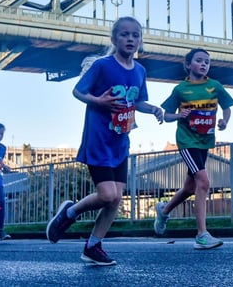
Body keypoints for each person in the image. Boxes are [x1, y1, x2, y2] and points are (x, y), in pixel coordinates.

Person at [45, 16, 164, 265]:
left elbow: (137, 100)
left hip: (121, 141)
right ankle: (69, 212)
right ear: (114, 39)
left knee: (116, 198)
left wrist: (152, 108)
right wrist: (98, 101)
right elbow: (78, 90)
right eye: (124, 34)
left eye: (135, 35)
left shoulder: (140, 71)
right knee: (108, 194)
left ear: (140, 40)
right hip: (99, 139)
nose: (130, 39)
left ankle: (93, 246)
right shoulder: (102, 65)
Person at [154, 48, 233, 249]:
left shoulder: (215, 86)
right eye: (199, 61)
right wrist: (179, 115)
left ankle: (164, 210)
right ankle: (201, 235)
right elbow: (167, 115)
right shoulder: (181, 89)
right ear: (188, 65)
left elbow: (227, 107)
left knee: (190, 187)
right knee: (204, 182)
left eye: (207, 62)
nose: (204, 64)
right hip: (186, 141)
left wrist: (224, 121)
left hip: (205, 141)